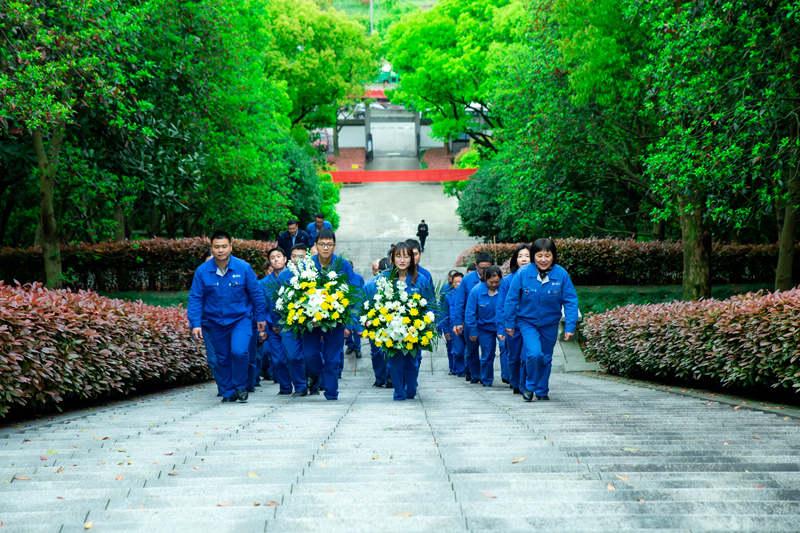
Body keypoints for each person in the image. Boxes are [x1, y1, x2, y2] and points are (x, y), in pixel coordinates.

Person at [188, 230, 267, 403]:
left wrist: (261, 317)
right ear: (211, 248)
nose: (220, 250)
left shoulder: (243, 268)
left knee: (239, 352)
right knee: (220, 358)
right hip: (214, 322)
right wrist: (195, 323)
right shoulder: (202, 271)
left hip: (241, 319)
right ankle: (228, 391)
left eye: (224, 246)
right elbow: (195, 298)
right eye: (217, 247)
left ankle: (240, 386)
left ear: (231, 247)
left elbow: (256, 294)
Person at [504, 238, 579, 402]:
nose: (543, 260)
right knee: (534, 354)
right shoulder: (523, 274)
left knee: (545, 357)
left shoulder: (561, 274)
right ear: (533, 256)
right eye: (539, 256)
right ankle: (530, 385)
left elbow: (570, 300)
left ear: (553, 256)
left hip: (550, 323)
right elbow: (511, 299)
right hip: (527, 322)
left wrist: (570, 326)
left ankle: (542, 390)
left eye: (547, 255)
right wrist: (508, 323)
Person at [301, 229, 359, 400]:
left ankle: (331, 392)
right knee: (309, 355)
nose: (325, 248)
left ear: (334, 246)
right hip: (311, 319)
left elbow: (354, 292)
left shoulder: (343, 265)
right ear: (315, 246)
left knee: (333, 359)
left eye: (329, 244)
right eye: (322, 244)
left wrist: (351, 322)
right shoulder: (307, 264)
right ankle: (317, 375)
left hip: (336, 319)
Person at [384, 241, 436, 401]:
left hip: (414, 330)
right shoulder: (385, 279)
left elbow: (430, 303)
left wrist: (429, 322)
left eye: (406, 256)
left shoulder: (421, 279)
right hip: (392, 330)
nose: (402, 260)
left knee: (412, 362)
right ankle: (399, 392)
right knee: (394, 362)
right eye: (398, 256)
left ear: (412, 259)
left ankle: (411, 388)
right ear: (392, 259)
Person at [452, 252, 493, 383]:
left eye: (487, 268)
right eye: (482, 268)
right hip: (471, 321)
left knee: (488, 351)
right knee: (471, 350)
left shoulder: (495, 278)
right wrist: (458, 322)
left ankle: (486, 377)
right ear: (476, 266)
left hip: (488, 321)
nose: (484, 271)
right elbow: (460, 301)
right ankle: (475, 374)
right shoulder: (467, 280)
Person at [258, 247, 294, 395]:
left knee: (294, 357)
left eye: (278, 256)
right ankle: (285, 387)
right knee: (278, 359)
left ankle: (301, 385)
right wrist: (267, 325)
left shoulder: (295, 277)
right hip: (273, 328)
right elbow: (261, 307)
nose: (276, 259)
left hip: (292, 326)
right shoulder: (263, 283)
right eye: (272, 258)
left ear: (285, 259)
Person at [497, 244, 531, 394]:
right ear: (515, 260)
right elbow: (501, 306)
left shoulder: (536, 278)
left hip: (530, 323)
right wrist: (501, 328)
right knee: (514, 355)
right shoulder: (507, 281)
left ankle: (525, 385)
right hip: (512, 324)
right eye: (520, 256)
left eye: (527, 256)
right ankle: (515, 382)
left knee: (527, 355)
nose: (524, 259)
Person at [465, 266, 503, 386]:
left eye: (497, 282)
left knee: (506, 349)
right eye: (491, 282)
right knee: (487, 353)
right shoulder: (476, 291)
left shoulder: (504, 289)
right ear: (485, 279)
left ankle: (508, 377)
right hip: (484, 328)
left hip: (501, 326)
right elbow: (470, 313)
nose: (494, 285)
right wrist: (473, 331)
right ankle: (486, 379)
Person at [344, 260, 365, 358]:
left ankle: (357, 348)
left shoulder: (359, 278)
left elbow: (363, 289)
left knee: (356, 327)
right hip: (346, 305)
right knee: (347, 327)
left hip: (357, 305)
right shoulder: (342, 279)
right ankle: (350, 345)